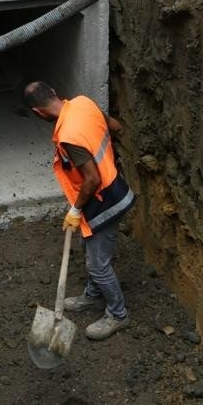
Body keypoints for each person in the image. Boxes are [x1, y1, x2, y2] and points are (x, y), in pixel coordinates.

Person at [24, 81, 135, 340]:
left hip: (104, 200)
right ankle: (94, 295)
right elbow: (115, 127)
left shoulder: (68, 136)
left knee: (98, 265)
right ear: (54, 92)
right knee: (88, 246)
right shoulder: (84, 103)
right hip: (112, 187)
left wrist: (75, 210)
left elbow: (92, 179)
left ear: (38, 113)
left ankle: (118, 315)